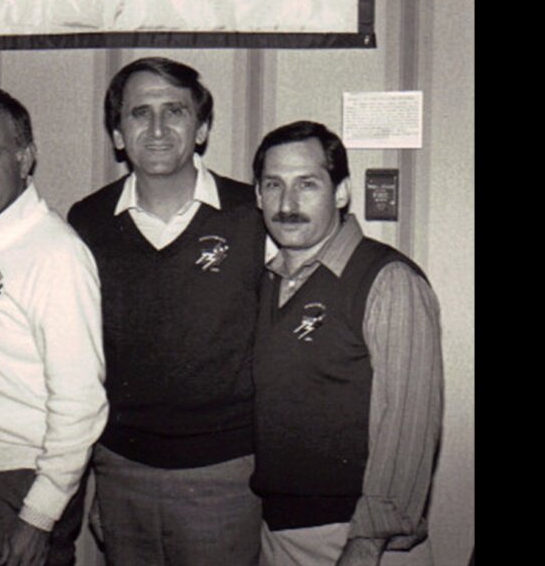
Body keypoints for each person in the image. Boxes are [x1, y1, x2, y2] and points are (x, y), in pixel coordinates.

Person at [67, 57, 264, 565]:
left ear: (201, 129)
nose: (156, 129)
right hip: (120, 468)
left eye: (174, 111)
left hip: (225, 474)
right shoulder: (87, 221)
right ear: (117, 133)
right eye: (139, 113)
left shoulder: (253, 216)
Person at [251, 121, 442, 566]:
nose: (288, 203)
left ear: (341, 192)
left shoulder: (388, 279)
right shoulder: (266, 282)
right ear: (258, 195)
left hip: (356, 539)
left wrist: (368, 540)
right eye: (274, 185)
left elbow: (409, 421)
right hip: (278, 532)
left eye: (308, 184)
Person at [0, 86, 107, 566]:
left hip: (18, 480)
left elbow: (82, 405)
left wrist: (38, 516)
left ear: (25, 157)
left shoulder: (56, 254)